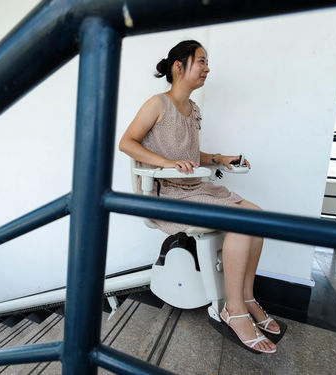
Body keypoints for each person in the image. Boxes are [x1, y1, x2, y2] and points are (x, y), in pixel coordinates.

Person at [118, 40, 280, 354]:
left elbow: (190, 155)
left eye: (207, 62)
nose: (207, 68)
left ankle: (246, 298)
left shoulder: (194, 109)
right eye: (201, 61)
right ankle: (233, 310)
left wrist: (220, 158)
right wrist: (165, 163)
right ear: (179, 67)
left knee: (258, 217)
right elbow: (127, 143)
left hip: (196, 188)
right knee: (239, 221)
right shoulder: (157, 104)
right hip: (168, 196)